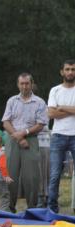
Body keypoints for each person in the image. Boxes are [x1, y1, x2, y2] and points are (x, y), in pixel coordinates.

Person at [2, 73, 48, 212]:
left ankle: (32, 209)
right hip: (13, 138)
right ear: (18, 84)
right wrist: (19, 137)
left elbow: (41, 124)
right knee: (11, 173)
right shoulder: (12, 101)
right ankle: (10, 208)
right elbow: (5, 122)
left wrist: (25, 133)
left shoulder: (39, 102)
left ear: (31, 84)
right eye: (21, 83)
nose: (24, 86)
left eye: (27, 83)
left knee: (32, 176)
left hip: (31, 140)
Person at [47, 60, 75, 213]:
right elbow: (51, 113)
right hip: (58, 136)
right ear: (62, 72)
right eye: (68, 69)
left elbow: (56, 111)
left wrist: (62, 107)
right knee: (55, 175)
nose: (70, 72)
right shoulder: (55, 90)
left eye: (73, 69)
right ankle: (51, 210)